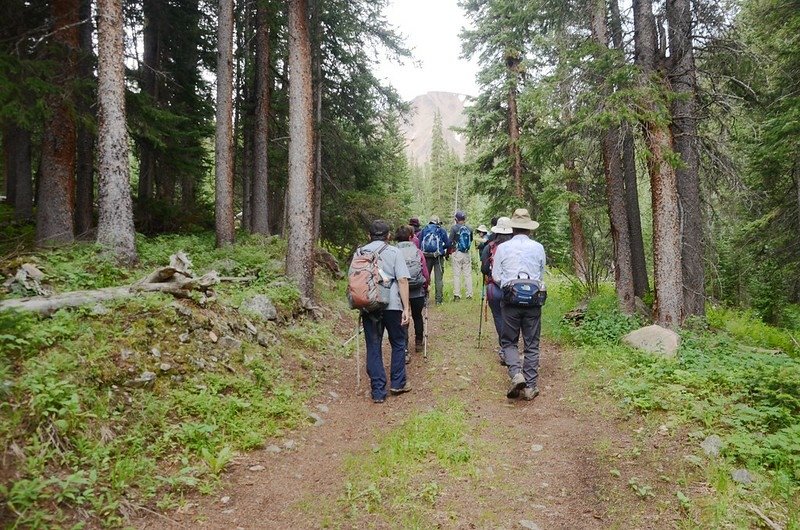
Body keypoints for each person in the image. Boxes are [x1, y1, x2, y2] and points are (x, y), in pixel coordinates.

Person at [350, 220, 412, 403]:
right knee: (398, 342)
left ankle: (378, 391)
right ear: (388, 236)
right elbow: (402, 280)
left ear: (369, 235)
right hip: (392, 304)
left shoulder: (359, 253)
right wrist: (406, 308)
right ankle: (397, 383)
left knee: (373, 345)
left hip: (369, 305)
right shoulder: (394, 252)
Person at [492, 209, 546, 401]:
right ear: (529, 229)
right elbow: (541, 274)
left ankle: (516, 373)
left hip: (510, 300)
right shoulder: (538, 247)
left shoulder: (503, 248)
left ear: (513, 228)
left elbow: (496, 275)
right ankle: (530, 386)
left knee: (509, 340)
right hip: (533, 301)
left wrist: (508, 284)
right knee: (532, 343)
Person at [480, 216, 513, 361]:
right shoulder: (514, 247)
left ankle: (504, 346)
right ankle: (512, 346)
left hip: (494, 288)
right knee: (511, 316)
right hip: (512, 288)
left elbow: (484, 268)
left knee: (499, 316)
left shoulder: (490, 246)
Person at [395, 225, 429, 362]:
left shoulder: (394, 251)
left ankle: (404, 350)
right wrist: (426, 285)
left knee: (403, 318)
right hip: (417, 290)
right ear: (411, 237)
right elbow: (425, 272)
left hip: (400, 290)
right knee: (417, 316)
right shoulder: (418, 251)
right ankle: (419, 342)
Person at [419, 215, 449, 305]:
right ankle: (438, 300)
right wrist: (441, 248)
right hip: (438, 257)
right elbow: (448, 243)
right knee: (438, 279)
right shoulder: (441, 230)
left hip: (426, 257)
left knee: (425, 278)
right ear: (437, 222)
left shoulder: (424, 230)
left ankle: (424, 299)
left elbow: (420, 244)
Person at [449, 211, 474, 300]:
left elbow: (449, 241)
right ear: (464, 219)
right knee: (468, 274)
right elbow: (471, 240)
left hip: (457, 252)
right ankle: (469, 295)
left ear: (456, 219)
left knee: (457, 275)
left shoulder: (454, 228)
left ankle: (457, 295)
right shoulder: (469, 229)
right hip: (466, 253)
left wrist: (449, 250)